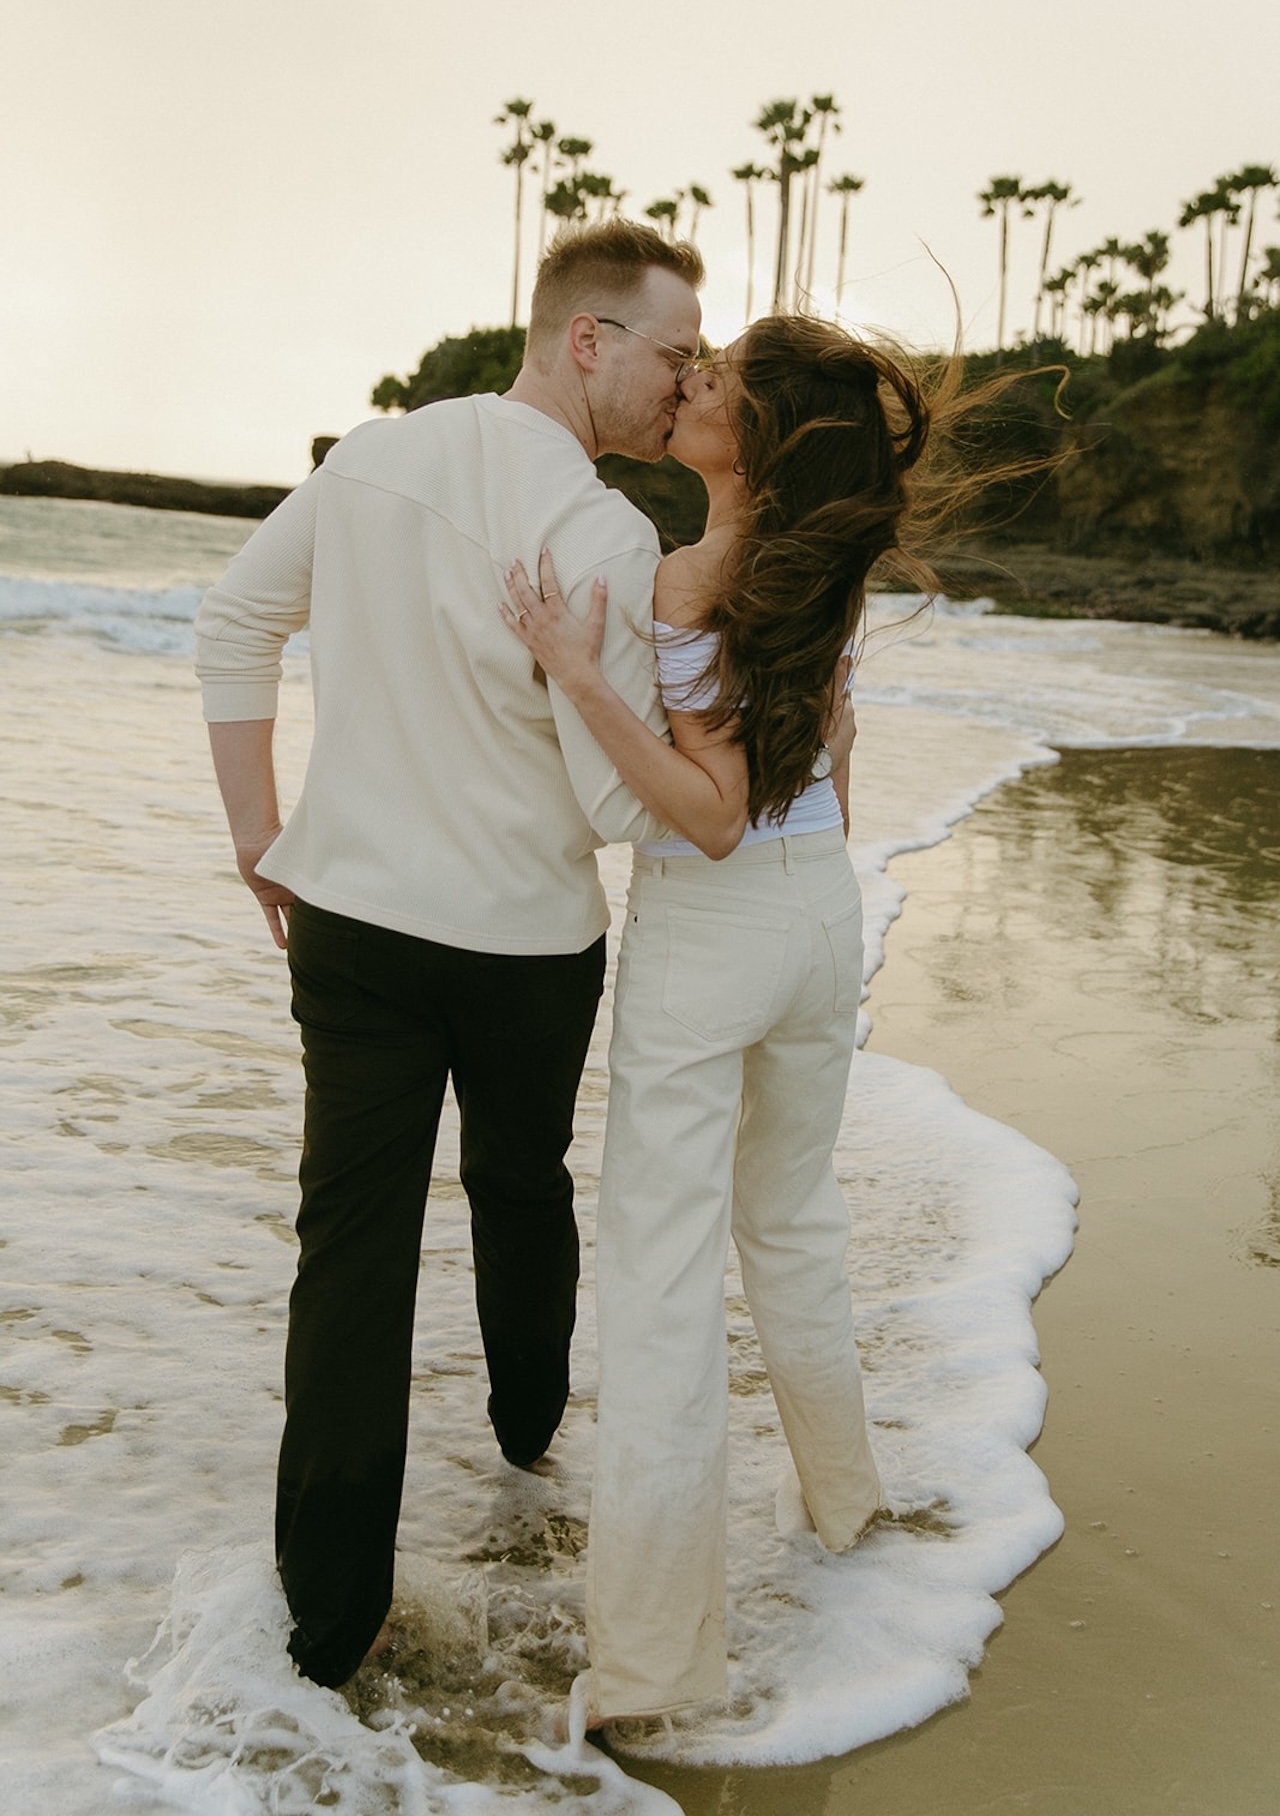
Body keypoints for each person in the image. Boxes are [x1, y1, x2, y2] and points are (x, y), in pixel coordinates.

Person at [194, 220, 704, 1689]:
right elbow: (612, 807)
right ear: (586, 340)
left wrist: (257, 829)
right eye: (671, 354)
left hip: (349, 922)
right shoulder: (607, 537)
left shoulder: (373, 457)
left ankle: (326, 1624)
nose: (684, 384)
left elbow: (236, 619)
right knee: (519, 1180)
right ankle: (529, 1435)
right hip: (527, 945)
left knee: (348, 1249)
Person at [502, 313, 951, 1724]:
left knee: (660, 1288)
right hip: (824, 911)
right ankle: (847, 1507)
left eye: (718, 383)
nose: (691, 382)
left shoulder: (689, 580)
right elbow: (820, 755)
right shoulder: (818, 572)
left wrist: (577, 675)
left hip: (717, 933)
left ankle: (653, 1666)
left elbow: (703, 818)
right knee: (794, 1223)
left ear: (748, 444)